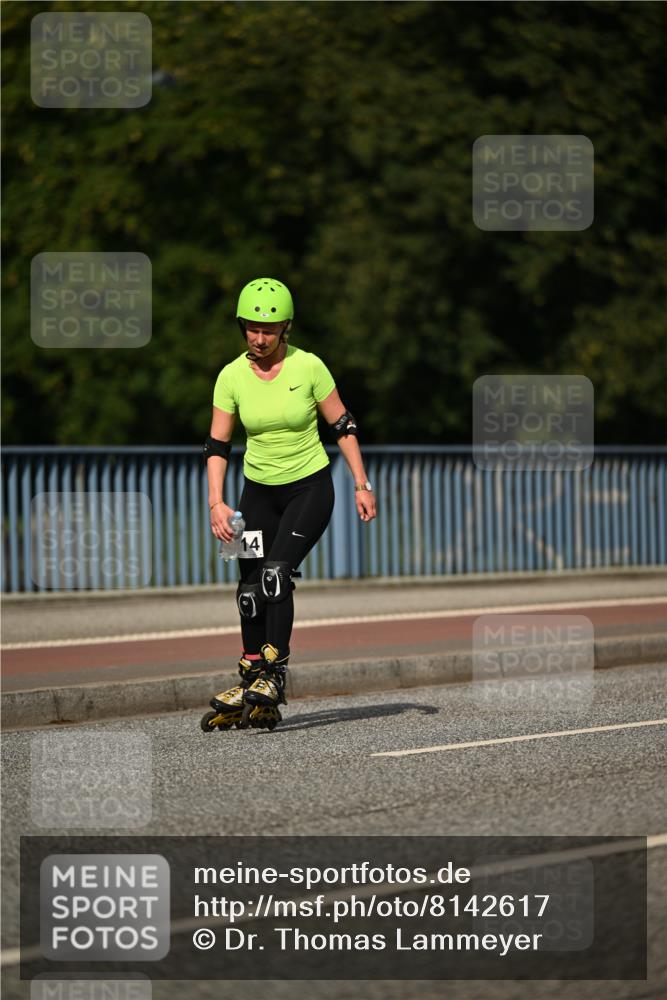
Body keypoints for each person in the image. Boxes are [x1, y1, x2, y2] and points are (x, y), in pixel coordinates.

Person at [201, 278, 377, 732]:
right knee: (247, 591)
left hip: (309, 488)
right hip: (254, 494)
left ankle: (274, 675)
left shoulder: (310, 367)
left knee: (276, 575)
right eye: (252, 329)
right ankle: (252, 679)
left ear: (287, 329)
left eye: (270, 329)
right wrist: (216, 503)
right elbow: (217, 446)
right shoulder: (230, 376)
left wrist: (362, 483)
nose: (260, 339)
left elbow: (343, 423)